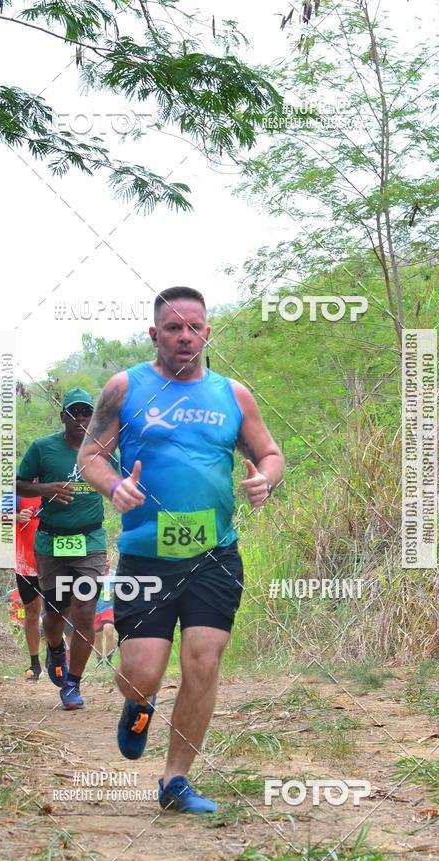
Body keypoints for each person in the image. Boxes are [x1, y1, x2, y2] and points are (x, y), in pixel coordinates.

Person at [78, 286, 284, 813]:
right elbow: (91, 455)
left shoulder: (233, 395)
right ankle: (139, 705)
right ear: (155, 335)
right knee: (141, 672)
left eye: (194, 327)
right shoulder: (126, 388)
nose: (185, 337)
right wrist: (113, 486)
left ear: (207, 333)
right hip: (145, 556)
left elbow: (269, 452)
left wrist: (265, 479)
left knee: (203, 661)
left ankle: (176, 781)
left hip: (215, 553)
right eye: (173, 328)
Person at [16, 388, 108, 710]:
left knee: (84, 612)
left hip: (91, 542)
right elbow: (17, 483)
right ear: (63, 416)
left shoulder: (103, 449)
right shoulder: (43, 448)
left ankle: (73, 684)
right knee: (55, 612)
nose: (81, 418)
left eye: (86, 412)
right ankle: (55, 648)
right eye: (74, 412)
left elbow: (123, 482)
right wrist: (45, 488)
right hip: (52, 540)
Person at [1, 491, 44, 682]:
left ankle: (56, 654)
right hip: (25, 561)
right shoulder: (17, 489)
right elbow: (1, 516)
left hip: (54, 559)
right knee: (31, 611)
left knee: (57, 611)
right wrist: (17, 517)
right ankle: (35, 664)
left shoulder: (56, 481)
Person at [93, 564, 116, 667]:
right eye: (103, 560)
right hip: (95, 610)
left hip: (109, 608)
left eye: (107, 560)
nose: (105, 563)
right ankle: (99, 661)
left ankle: (108, 661)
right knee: (97, 636)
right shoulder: (93, 575)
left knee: (109, 630)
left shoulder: (115, 576)